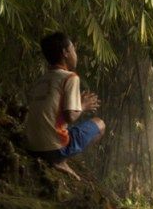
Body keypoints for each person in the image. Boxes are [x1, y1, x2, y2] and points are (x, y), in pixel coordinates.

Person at [25, 32, 106, 180]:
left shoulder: (42, 80)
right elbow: (70, 116)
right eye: (73, 50)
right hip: (54, 149)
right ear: (65, 53)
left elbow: (50, 107)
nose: (76, 54)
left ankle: (59, 155)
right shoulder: (70, 77)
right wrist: (83, 105)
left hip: (32, 147)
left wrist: (77, 101)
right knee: (100, 124)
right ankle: (61, 160)